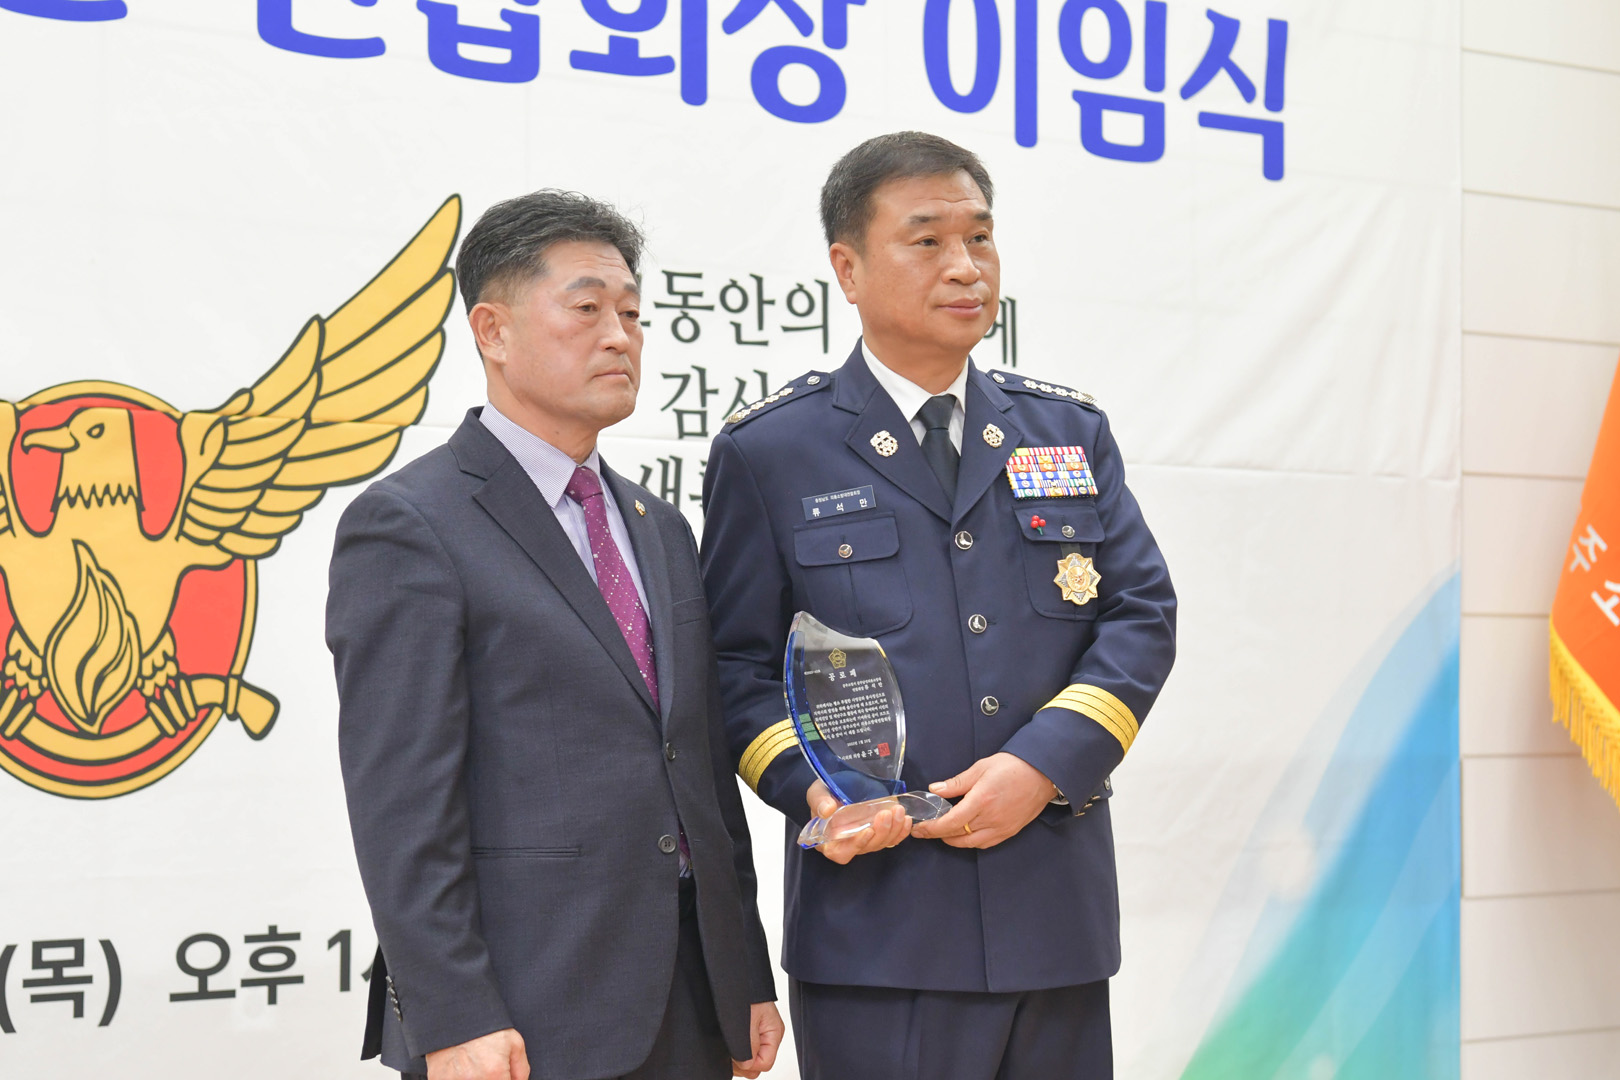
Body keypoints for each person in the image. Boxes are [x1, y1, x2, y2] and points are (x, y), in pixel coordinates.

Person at [700, 132, 1177, 1080]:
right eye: (927, 241)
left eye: (980, 238)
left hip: (1052, 913)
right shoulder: (773, 450)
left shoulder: (1066, 430)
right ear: (847, 268)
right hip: (880, 926)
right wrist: (820, 791)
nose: (966, 267)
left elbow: (1139, 614)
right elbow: (734, 666)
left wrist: (1044, 765)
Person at [328, 190, 784, 1080]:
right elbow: (401, 807)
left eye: (632, 315)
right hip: (520, 1012)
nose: (620, 337)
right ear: (493, 331)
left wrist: (746, 975)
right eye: (586, 310)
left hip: (691, 1000)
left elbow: (696, 768)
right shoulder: (411, 524)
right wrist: (455, 1014)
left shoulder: (658, 526)